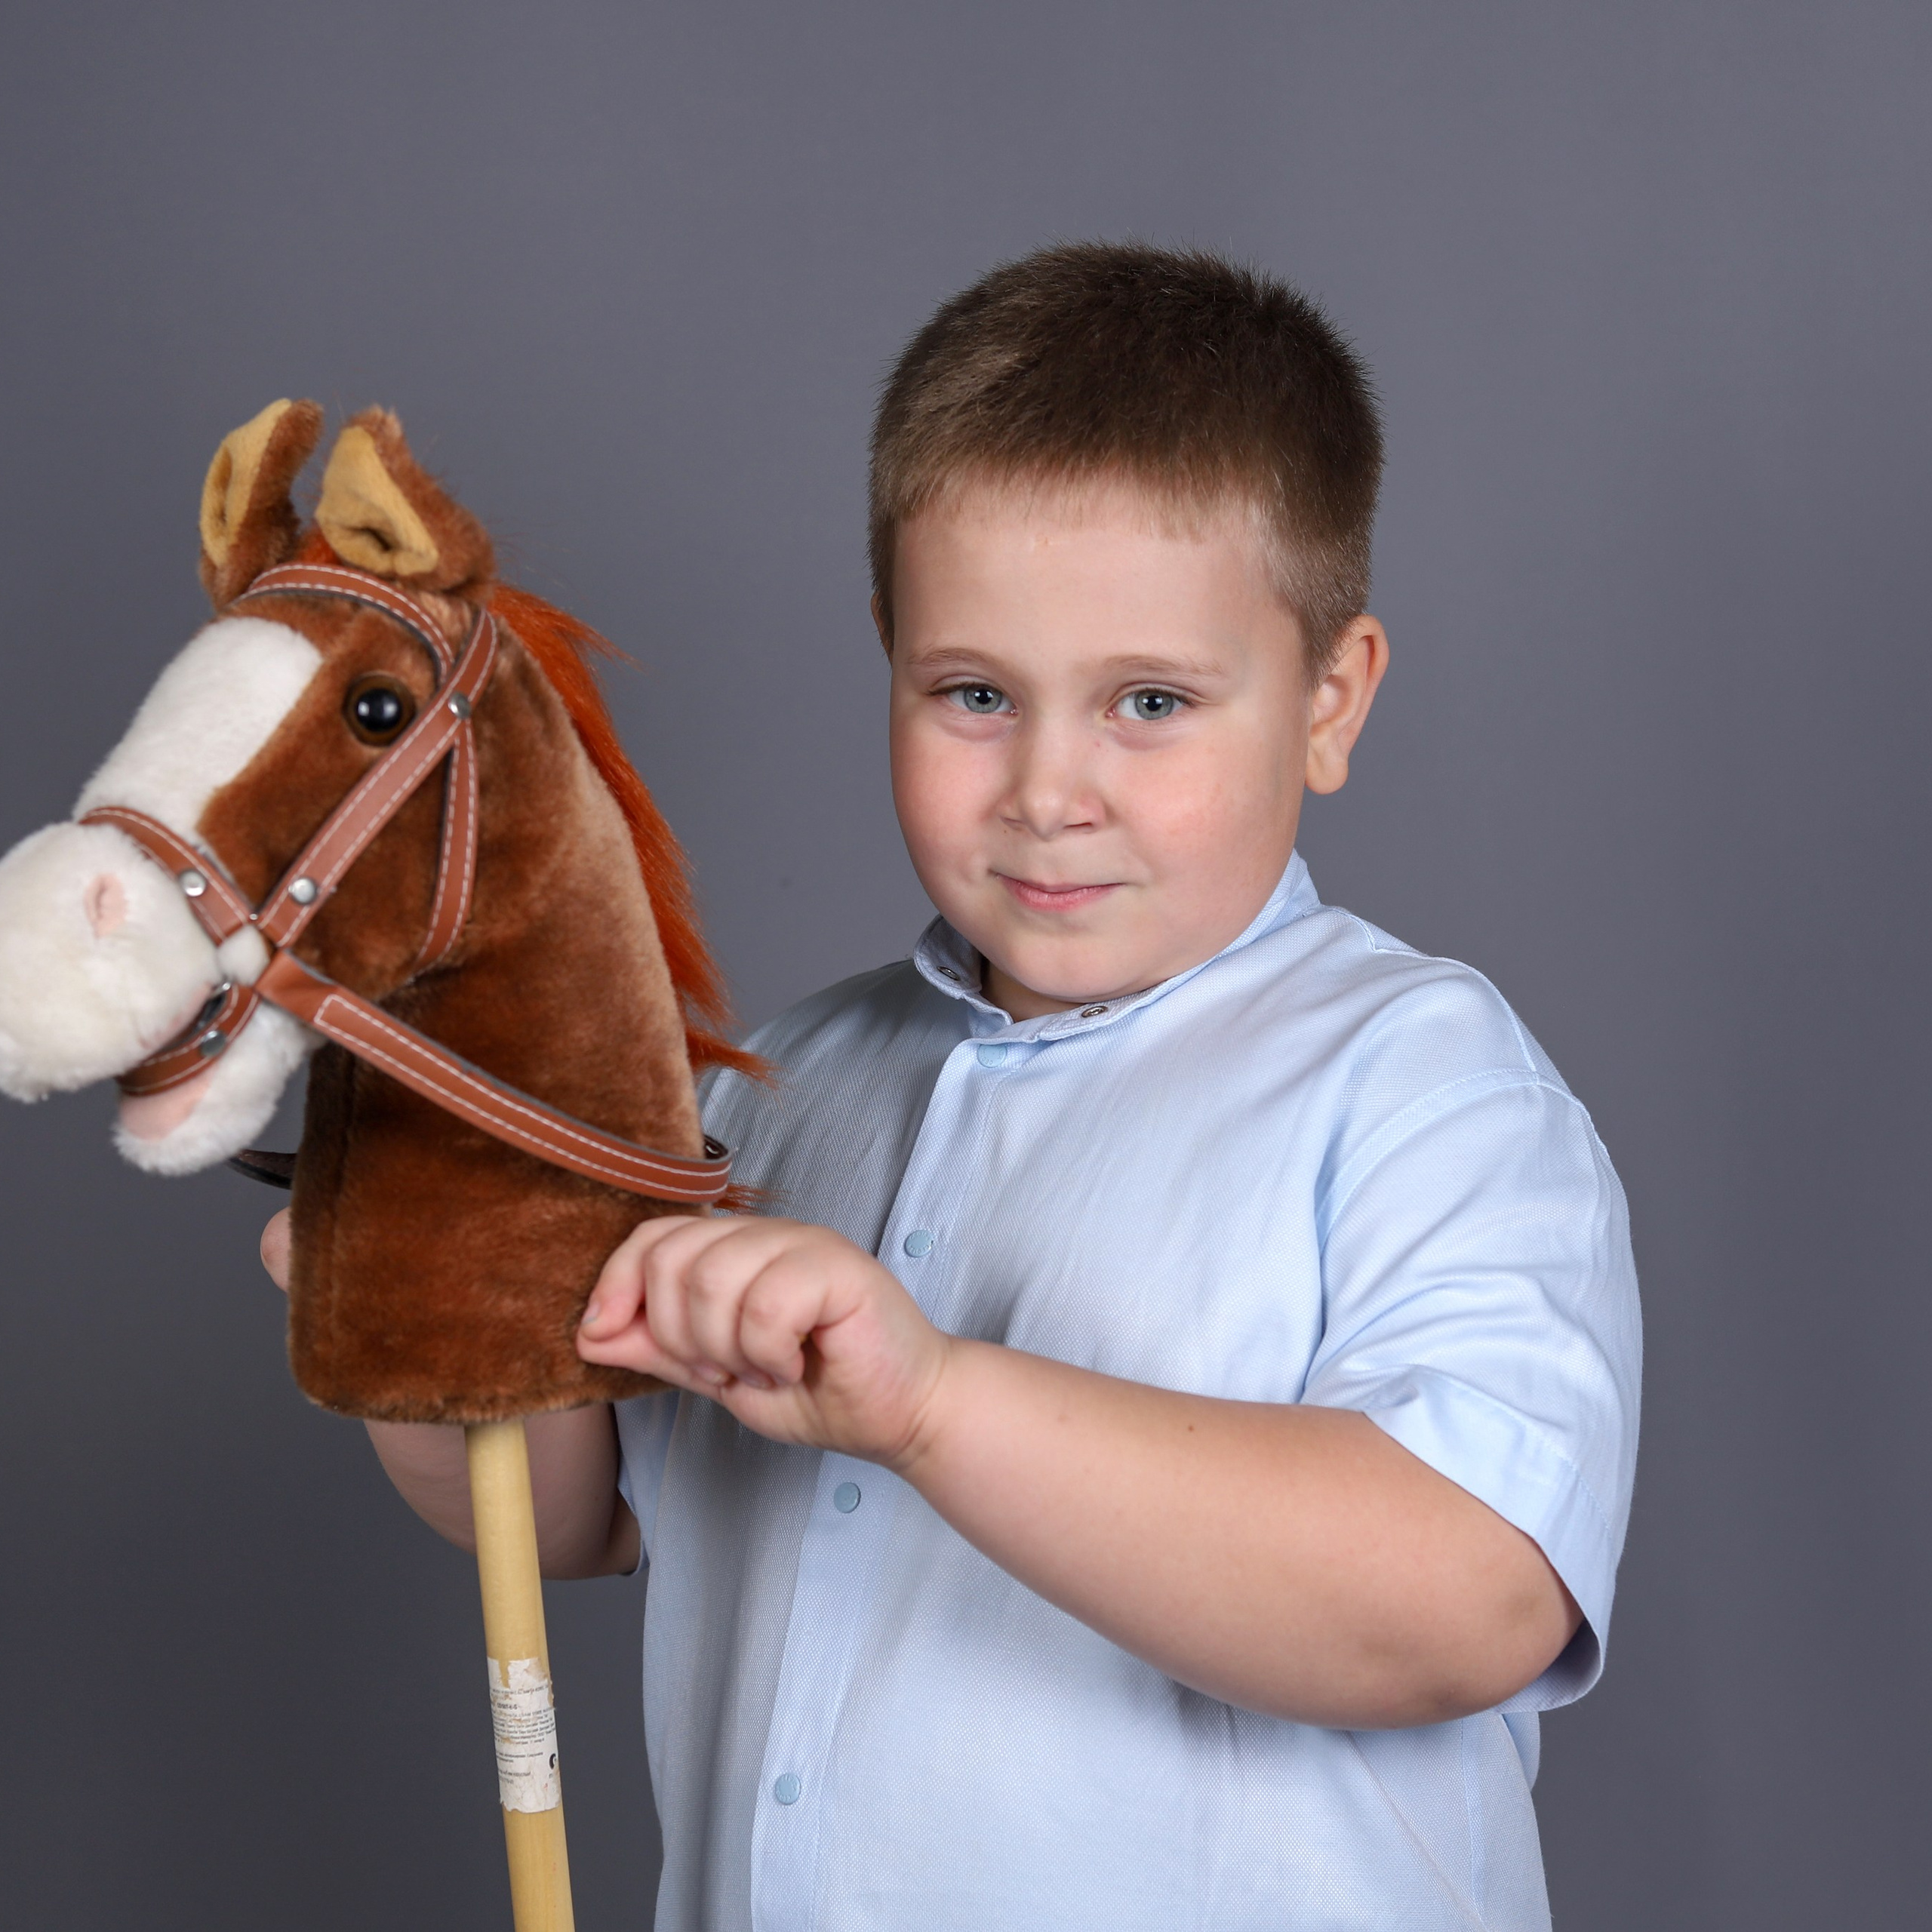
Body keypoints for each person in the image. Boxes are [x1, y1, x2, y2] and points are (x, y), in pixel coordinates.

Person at [264, 241, 1639, 1930]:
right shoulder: (783, 1086)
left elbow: (1466, 1603)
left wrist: (930, 1403)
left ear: (1328, 701)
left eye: (1150, 702)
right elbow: (571, 1516)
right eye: (974, 694)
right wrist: (412, 1302)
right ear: (890, 653)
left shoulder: (1426, 1087)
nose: (1048, 788)